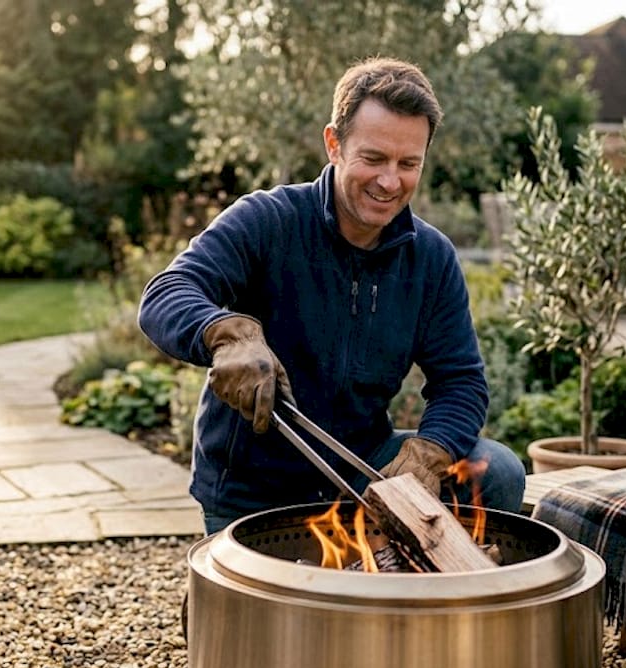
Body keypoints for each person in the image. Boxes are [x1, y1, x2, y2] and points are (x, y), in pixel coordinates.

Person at [139, 56, 525, 535]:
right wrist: (227, 334)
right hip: (251, 488)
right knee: (260, 604)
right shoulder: (268, 219)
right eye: (374, 158)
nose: (390, 181)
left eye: (409, 164)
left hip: (362, 472)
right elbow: (166, 293)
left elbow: (461, 381)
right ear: (334, 144)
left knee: (500, 471)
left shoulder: (431, 258)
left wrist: (429, 452)